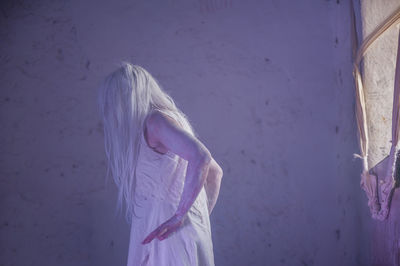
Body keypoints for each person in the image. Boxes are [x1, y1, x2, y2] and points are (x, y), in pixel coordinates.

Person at [97, 62, 223, 265]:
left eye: (113, 102)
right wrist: (193, 218)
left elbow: (202, 158)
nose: (109, 110)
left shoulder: (154, 122)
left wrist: (181, 215)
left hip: (167, 233)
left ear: (127, 98)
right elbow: (216, 174)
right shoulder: (163, 121)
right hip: (167, 230)